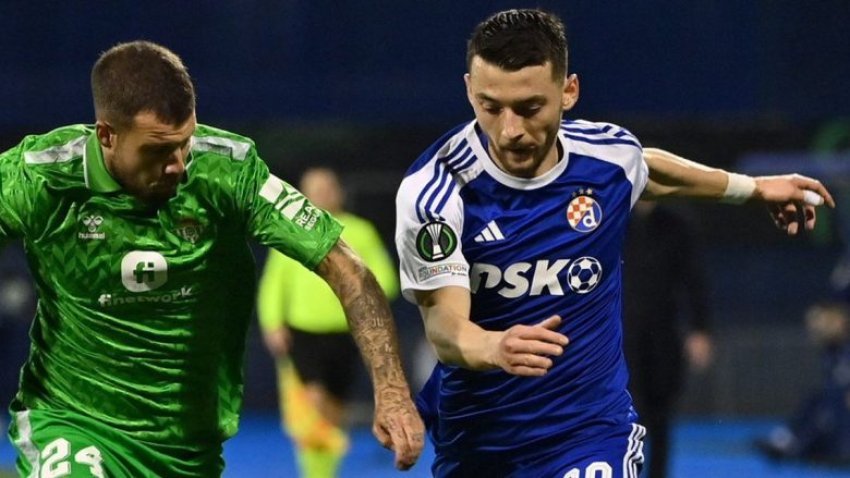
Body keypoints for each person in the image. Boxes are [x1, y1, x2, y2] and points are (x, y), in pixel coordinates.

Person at [393, 9, 834, 478]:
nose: (510, 130)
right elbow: (445, 328)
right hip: (481, 440)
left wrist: (753, 188)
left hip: (590, 431)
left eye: (529, 108)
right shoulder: (436, 192)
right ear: (469, 90)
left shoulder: (607, 158)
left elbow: (648, 168)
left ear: (569, 92)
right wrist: (495, 345)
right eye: (490, 106)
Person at [0, 41, 423, 477]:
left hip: (188, 443)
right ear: (107, 135)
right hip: (74, 420)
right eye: (157, 150)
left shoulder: (226, 171)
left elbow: (346, 265)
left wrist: (392, 390)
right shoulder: (39, 176)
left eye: (184, 143)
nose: (177, 165)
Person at [257, 167, 400, 478]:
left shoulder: (360, 232)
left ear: (339, 192)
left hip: (348, 334)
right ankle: (320, 464)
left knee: (336, 408)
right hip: (302, 332)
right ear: (302, 194)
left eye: (327, 188)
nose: (321, 195)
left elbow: (386, 280)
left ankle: (324, 473)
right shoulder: (288, 229)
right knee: (311, 402)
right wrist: (271, 322)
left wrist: (362, 301)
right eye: (314, 189)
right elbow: (273, 283)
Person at [623, 201, 713, 478]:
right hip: (620, 334)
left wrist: (700, 329)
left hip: (664, 333)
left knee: (661, 412)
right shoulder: (614, 217)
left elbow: (694, 278)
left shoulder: (678, 223)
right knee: (625, 411)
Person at [755, 301, 850, 465]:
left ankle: (799, 446)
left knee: (827, 405)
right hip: (837, 413)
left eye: (821, 323)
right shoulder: (831, 352)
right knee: (815, 399)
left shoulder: (844, 352)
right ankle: (787, 441)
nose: (814, 329)